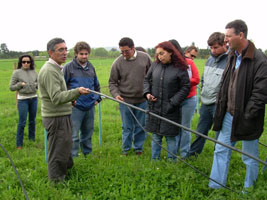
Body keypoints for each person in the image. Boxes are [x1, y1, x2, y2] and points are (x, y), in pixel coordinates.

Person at [209, 20, 267, 190]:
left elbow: (260, 94)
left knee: (249, 156)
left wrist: (247, 114)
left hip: (249, 117)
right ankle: (215, 186)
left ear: (240, 35)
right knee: (221, 149)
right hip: (228, 114)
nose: (225, 40)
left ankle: (249, 189)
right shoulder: (232, 56)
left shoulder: (260, 60)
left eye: (228, 36)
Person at [38, 38, 90, 183]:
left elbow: (59, 93)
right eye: (60, 50)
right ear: (50, 52)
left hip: (62, 114)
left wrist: (70, 100)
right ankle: (56, 182)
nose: (65, 53)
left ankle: (66, 173)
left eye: (66, 49)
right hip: (56, 117)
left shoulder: (56, 68)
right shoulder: (49, 70)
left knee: (65, 145)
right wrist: (77, 92)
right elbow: (55, 97)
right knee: (58, 150)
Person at [143, 41, 190, 161]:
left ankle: (171, 161)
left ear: (170, 52)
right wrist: (147, 93)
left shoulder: (180, 68)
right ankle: (154, 160)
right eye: (157, 54)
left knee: (171, 137)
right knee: (156, 135)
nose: (159, 56)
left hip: (171, 109)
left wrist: (173, 102)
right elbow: (146, 80)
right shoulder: (155, 65)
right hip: (155, 106)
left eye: (162, 53)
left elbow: (185, 87)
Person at [185, 32, 228, 158]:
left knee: (219, 134)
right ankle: (193, 155)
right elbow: (203, 79)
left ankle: (218, 157)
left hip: (219, 104)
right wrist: (204, 92)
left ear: (224, 45)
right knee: (201, 131)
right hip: (205, 102)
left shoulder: (231, 60)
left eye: (216, 47)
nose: (213, 50)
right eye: (211, 48)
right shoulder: (209, 60)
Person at [109, 37, 152, 155]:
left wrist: (149, 92)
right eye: (121, 51)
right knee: (127, 127)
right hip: (125, 100)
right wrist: (116, 95)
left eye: (126, 51)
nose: (124, 54)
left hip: (142, 99)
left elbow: (151, 76)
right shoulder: (118, 62)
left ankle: (138, 148)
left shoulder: (145, 58)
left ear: (133, 48)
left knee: (141, 125)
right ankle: (125, 150)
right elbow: (112, 82)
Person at [64, 41, 101, 157]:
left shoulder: (91, 67)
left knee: (88, 133)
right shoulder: (68, 68)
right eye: (81, 54)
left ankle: (87, 154)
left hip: (90, 106)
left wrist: (97, 99)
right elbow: (62, 87)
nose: (84, 56)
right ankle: (73, 156)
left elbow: (96, 86)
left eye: (86, 54)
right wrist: (70, 101)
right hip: (75, 107)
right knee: (74, 135)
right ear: (76, 54)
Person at [169, 39, 200, 158]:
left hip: (188, 99)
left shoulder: (189, 63)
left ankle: (184, 153)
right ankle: (174, 151)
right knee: (175, 126)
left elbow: (196, 79)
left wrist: (181, 82)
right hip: (175, 99)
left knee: (185, 127)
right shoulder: (168, 65)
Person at [9, 54, 38, 149]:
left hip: (34, 98)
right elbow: (11, 87)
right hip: (22, 100)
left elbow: (39, 84)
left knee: (32, 121)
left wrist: (36, 84)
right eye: (24, 62)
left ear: (31, 63)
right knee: (22, 122)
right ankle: (19, 144)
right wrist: (19, 84)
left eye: (28, 62)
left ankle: (32, 140)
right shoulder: (16, 73)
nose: (26, 63)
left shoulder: (34, 72)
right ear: (21, 63)